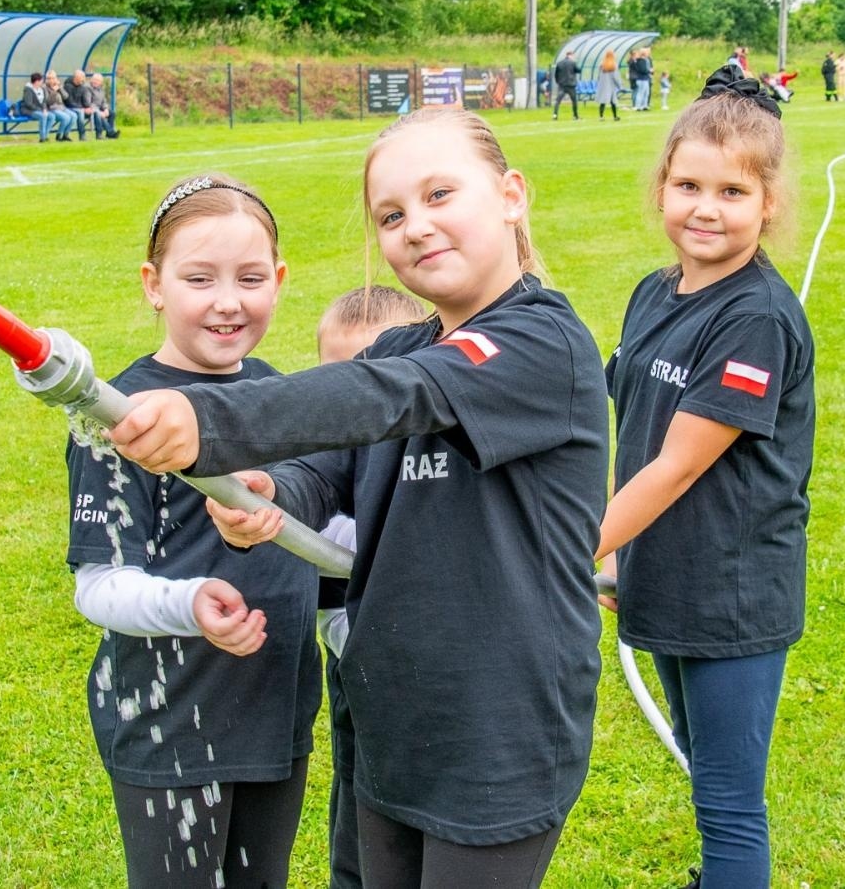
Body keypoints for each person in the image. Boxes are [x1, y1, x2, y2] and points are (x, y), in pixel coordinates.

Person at [106, 108, 609, 888]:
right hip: (393, 719)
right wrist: (270, 491)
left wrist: (210, 420)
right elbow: (327, 471)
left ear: (511, 195)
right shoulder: (402, 345)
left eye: (441, 194)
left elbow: (386, 395)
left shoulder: (543, 344)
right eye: (392, 214)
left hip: (498, 735)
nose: (416, 226)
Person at [66, 176, 321, 889]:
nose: (227, 301)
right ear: (154, 283)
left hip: (278, 708)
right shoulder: (119, 414)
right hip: (171, 725)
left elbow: (320, 531)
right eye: (199, 277)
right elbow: (99, 585)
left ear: (279, 279)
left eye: (249, 277)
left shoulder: (283, 395)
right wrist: (189, 603)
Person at [598, 64, 814, 889]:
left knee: (728, 801)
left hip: (731, 590)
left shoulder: (754, 316)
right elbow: (632, 433)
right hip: (664, 575)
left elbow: (680, 464)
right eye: (688, 184)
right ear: (662, 188)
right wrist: (619, 555)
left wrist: (573, 550)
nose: (706, 208)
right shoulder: (654, 292)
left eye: (732, 191)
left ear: (768, 204)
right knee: (700, 763)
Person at [312, 284, 426, 889]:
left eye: (375, 376)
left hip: (422, 671)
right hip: (355, 648)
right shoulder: (325, 450)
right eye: (340, 376)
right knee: (357, 789)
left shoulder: (424, 451)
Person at [17, 72, 70, 143]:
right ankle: (42, 138)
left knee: (52, 116)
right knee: (43, 116)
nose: (42, 82)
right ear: (36, 81)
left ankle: (46, 135)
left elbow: (44, 101)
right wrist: (41, 110)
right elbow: (28, 104)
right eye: (41, 81)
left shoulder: (40, 89)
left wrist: (44, 109)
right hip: (28, 110)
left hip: (39, 110)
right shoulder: (28, 90)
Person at [43, 70, 85, 141]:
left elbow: (66, 97)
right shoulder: (44, 88)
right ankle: (59, 135)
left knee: (74, 116)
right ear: (46, 79)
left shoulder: (58, 86)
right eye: (49, 78)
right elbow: (48, 102)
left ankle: (65, 135)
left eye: (53, 78)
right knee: (66, 118)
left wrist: (60, 88)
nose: (51, 80)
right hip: (52, 108)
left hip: (62, 108)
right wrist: (53, 91)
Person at [84, 72, 121, 140]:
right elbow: (88, 103)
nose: (96, 82)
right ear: (91, 79)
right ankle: (107, 133)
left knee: (112, 113)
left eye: (98, 81)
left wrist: (106, 109)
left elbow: (104, 101)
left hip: (99, 109)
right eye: (94, 79)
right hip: (90, 109)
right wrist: (99, 112)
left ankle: (109, 133)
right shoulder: (87, 88)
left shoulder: (101, 89)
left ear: (101, 82)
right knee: (99, 115)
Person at [596, 50, 624, 121]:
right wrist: (620, 86)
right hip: (611, 86)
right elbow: (616, 77)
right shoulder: (614, 65)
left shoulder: (601, 64)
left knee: (603, 101)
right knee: (613, 102)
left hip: (603, 85)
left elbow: (598, 76)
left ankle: (601, 117)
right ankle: (615, 116)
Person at [552, 50, 580, 120]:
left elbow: (556, 74)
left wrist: (558, 82)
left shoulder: (559, 63)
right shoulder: (573, 63)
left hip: (562, 85)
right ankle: (575, 116)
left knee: (558, 101)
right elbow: (579, 70)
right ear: (571, 55)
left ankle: (555, 115)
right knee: (574, 101)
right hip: (571, 85)